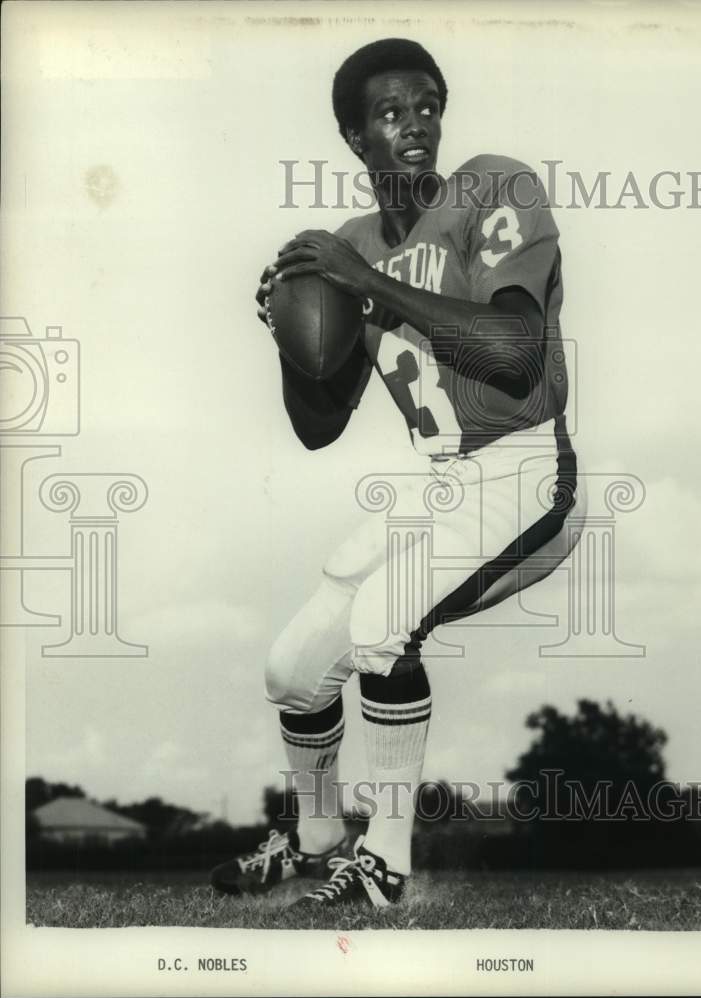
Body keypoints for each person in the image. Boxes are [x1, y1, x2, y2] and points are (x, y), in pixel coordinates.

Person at [211, 37, 585, 910]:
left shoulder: (494, 187)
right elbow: (318, 426)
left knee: (382, 624)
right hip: (442, 484)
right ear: (353, 137)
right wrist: (285, 339)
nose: (413, 126)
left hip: (527, 472)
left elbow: (516, 353)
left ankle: (383, 860)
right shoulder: (347, 242)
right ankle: (312, 838)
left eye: (426, 106)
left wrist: (367, 285)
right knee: (294, 666)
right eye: (389, 113)